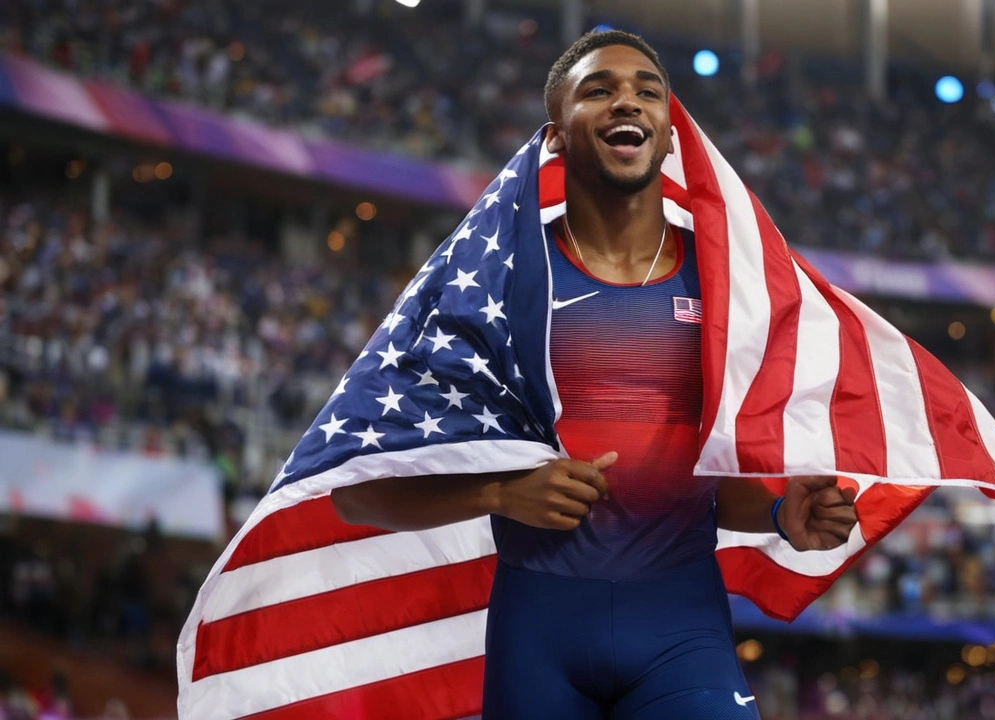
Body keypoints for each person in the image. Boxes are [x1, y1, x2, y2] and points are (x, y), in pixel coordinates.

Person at [331, 31, 858, 719]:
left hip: (681, 627)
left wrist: (783, 513)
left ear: (669, 135)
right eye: (598, 89)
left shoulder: (734, 284)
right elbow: (358, 493)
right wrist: (500, 491)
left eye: (647, 89)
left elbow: (700, 487)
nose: (626, 100)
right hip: (539, 633)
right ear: (554, 137)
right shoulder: (495, 281)